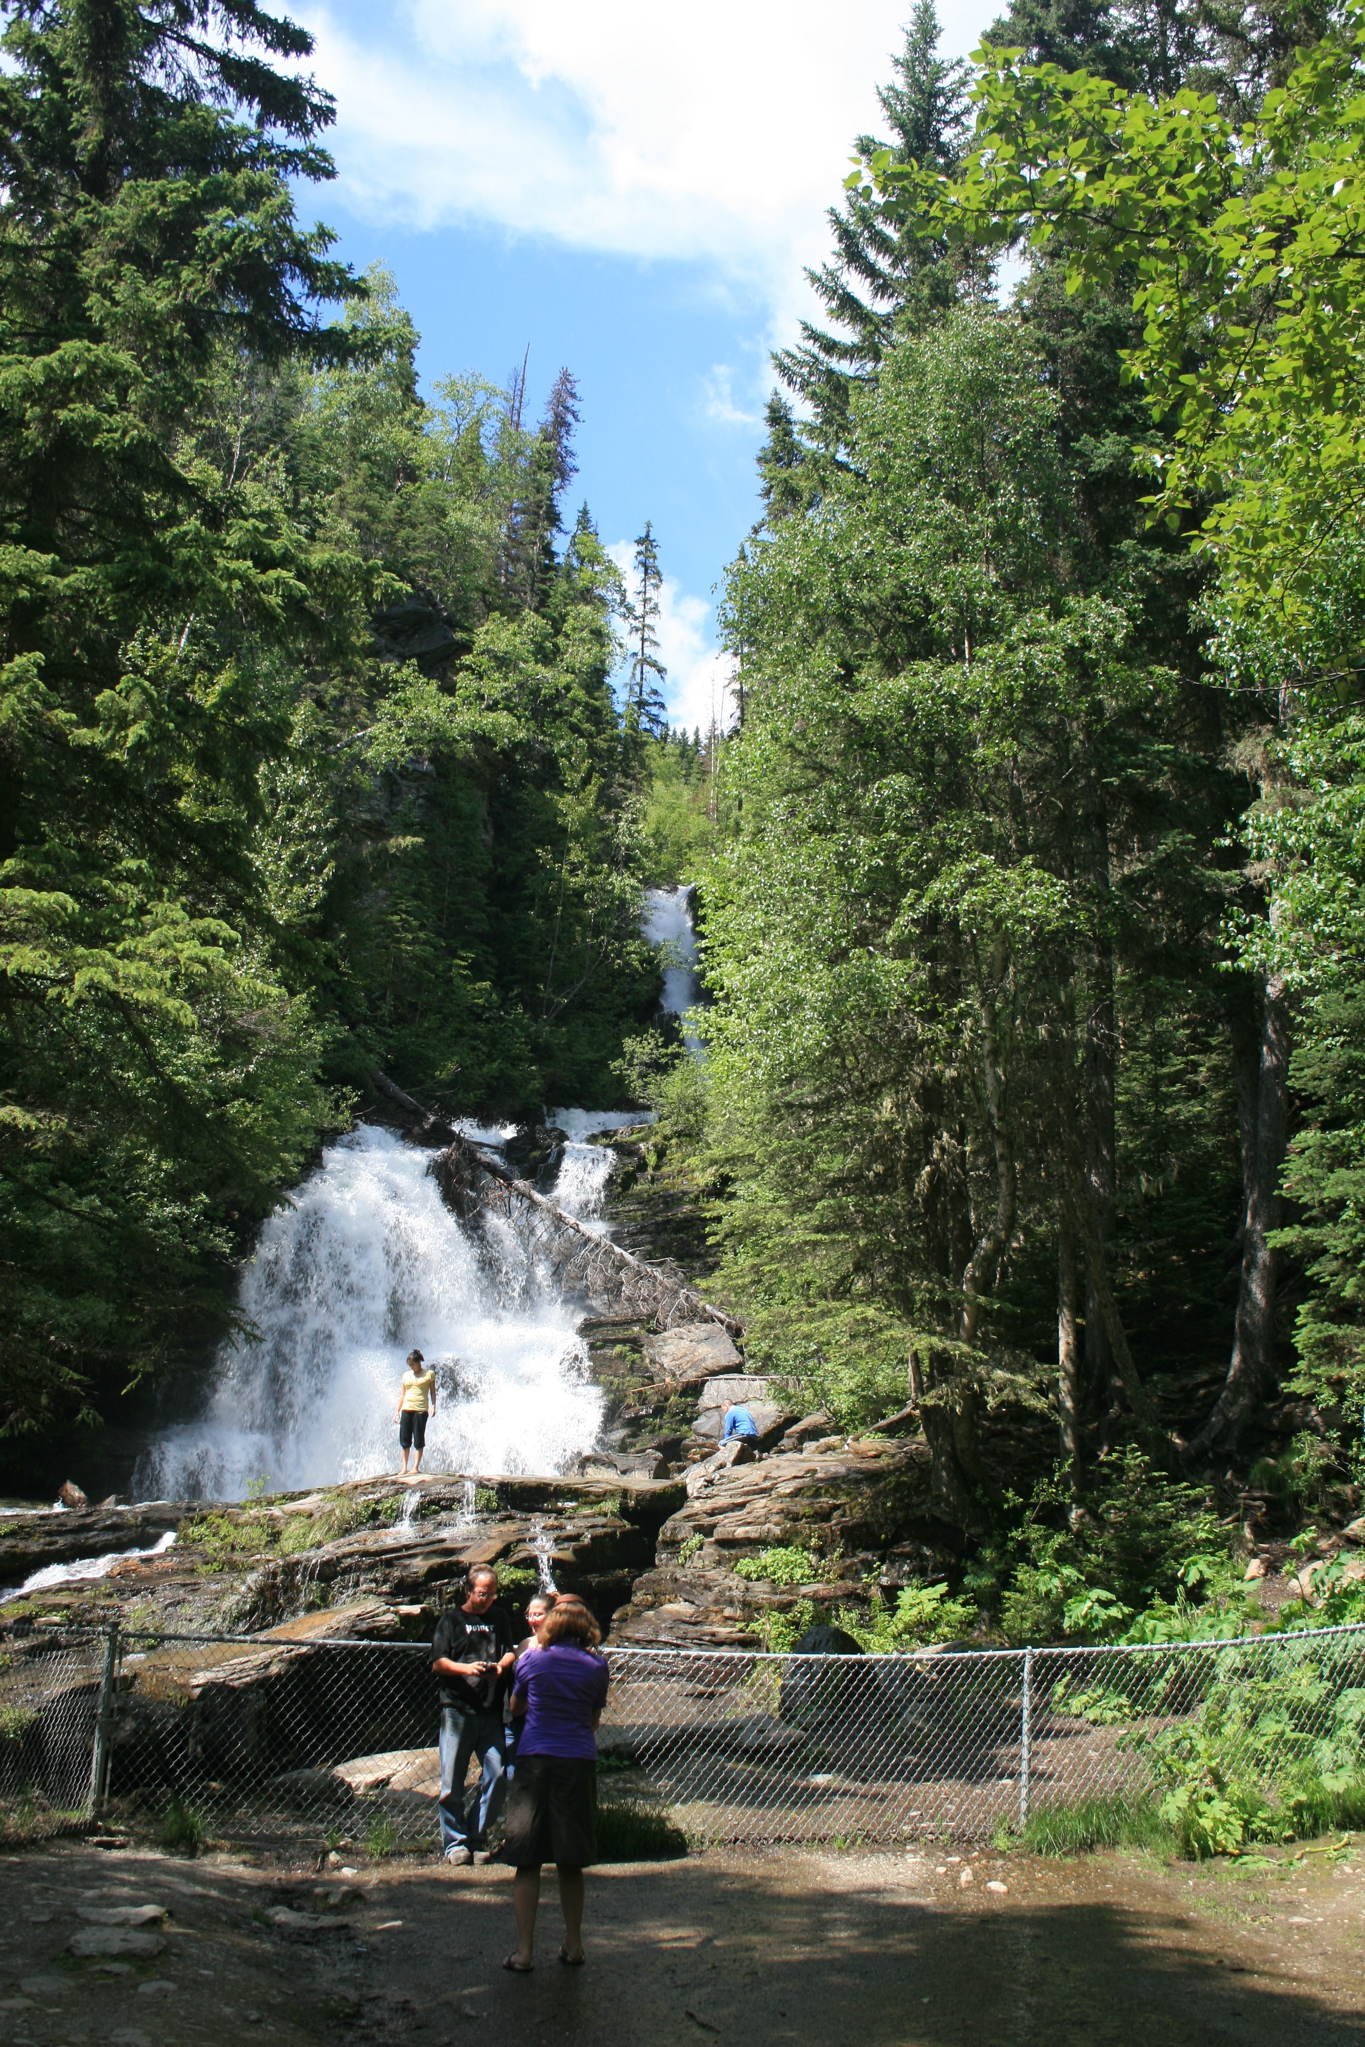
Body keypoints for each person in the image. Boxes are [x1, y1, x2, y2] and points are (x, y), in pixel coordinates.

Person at [500, 1593, 609, 1972]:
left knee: (527, 1859)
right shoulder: (597, 1667)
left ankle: (524, 1952)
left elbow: (516, 1707)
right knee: (570, 1859)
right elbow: (593, 1721)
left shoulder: (531, 1659)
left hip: (534, 1759)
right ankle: (574, 1945)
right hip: (577, 1760)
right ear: (586, 1629)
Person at [431, 1565, 517, 1865]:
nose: (488, 1599)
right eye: (483, 1594)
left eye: (492, 1593)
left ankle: (477, 1835)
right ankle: (455, 1843)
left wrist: (500, 1668)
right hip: (457, 1710)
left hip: (491, 1711)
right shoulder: (451, 1619)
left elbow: (509, 1651)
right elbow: (438, 1663)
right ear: (469, 1591)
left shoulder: (500, 1617)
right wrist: (466, 1669)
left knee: (497, 1773)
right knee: (452, 1780)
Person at [504, 1591, 556, 1779]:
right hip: (516, 1719)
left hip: (544, 1721)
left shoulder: (559, 1646)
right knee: (513, 1773)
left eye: (538, 1615)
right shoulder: (524, 1644)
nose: (532, 1620)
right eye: (529, 1615)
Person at [393, 1349, 436, 1477]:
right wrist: (396, 1411)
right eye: (410, 1365)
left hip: (421, 1409)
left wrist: (433, 1405)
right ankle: (404, 1468)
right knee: (404, 1439)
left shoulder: (429, 1374)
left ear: (419, 1362)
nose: (411, 1367)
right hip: (406, 1408)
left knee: (418, 1438)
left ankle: (415, 1467)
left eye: (413, 1364)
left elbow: (432, 1392)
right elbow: (402, 1395)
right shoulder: (406, 1375)